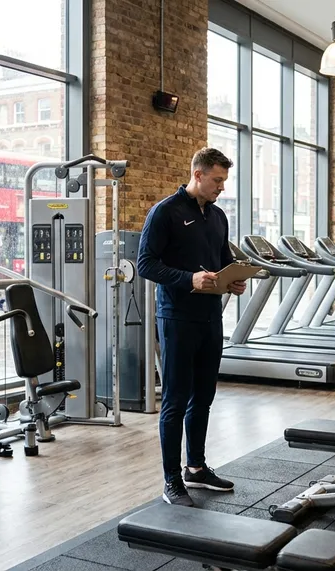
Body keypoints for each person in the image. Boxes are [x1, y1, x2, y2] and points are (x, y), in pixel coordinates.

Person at [137, 147, 248, 507]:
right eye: (217, 180)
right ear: (198, 175)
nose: (222, 187)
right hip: (177, 317)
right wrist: (189, 279)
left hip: (210, 317)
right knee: (175, 400)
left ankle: (195, 468)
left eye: (224, 181)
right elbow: (145, 264)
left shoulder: (218, 216)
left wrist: (234, 279)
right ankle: (171, 479)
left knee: (203, 396)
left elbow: (223, 261)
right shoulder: (165, 212)